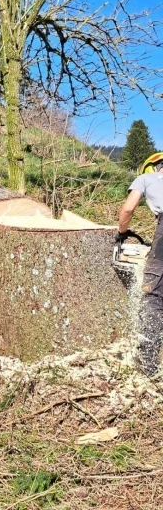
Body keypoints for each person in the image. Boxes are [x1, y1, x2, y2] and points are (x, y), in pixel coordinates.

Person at [118, 152, 163, 376]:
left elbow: (128, 209)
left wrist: (121, 232)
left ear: (152, 167)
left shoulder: (146, 178)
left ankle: (148, 364)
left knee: (153, 294)